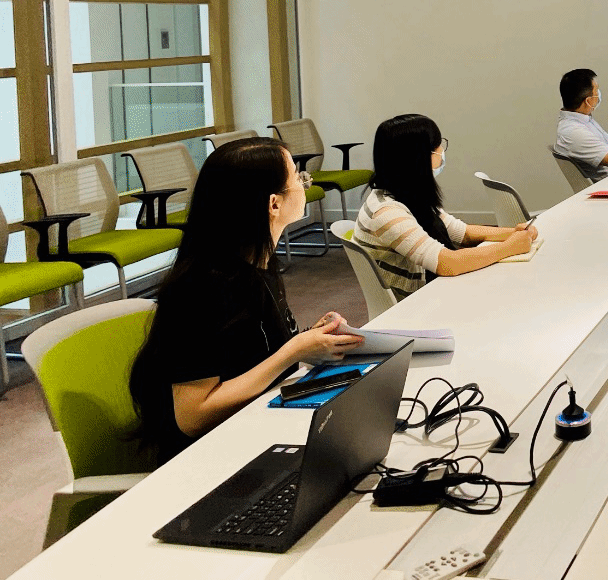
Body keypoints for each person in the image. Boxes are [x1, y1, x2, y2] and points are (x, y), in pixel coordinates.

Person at [129, 137, 365, 466]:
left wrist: (311, 339)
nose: (304, 183)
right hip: (211, 459)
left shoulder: (257, 263)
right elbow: (192, 416)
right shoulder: (201, 289)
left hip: (258, 426)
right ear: (273, 205)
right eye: (298, 178)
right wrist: (294, 351)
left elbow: (252, 354)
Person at [356, 114, 536, 299]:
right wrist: (510, 247)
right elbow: (448, 263)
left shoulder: (407, 193)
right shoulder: (386, 212)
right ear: (418, 157)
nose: (441, 150)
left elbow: (462, 232)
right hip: (417, 304)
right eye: (437, 145)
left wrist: (515, 233)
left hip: (433, 289)